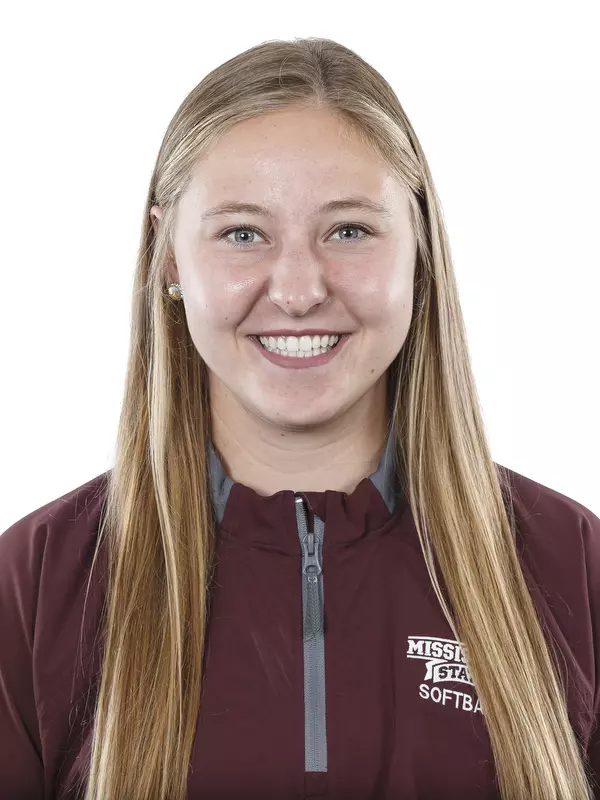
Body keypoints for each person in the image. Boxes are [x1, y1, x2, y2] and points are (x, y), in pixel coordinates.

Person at [0, 36, 598, 800]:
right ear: (170, 258)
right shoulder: (38, 584)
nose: (297, 289)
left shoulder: (570, 567)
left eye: (348, 230)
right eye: (242, 234)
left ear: (418, 244)